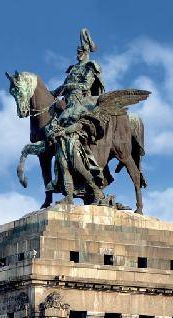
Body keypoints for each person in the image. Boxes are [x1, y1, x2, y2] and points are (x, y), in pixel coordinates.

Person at [46, 28, 106, 204]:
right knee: (62, 164)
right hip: (68, 104)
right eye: (77, 52)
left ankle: (95, 189)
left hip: (81, 101)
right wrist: (52, 92)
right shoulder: (72, 69)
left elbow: (86, 85)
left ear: (87, 52)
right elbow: (62, 87)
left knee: (77, 164)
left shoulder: (91, 67)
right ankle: (69, 196)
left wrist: (70, 86)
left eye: (81, 52)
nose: (78, 54)